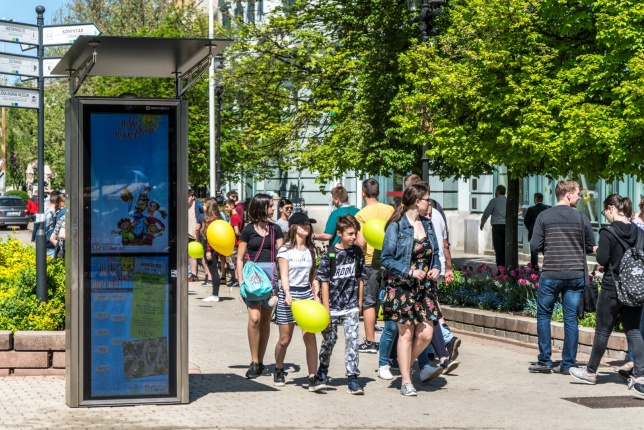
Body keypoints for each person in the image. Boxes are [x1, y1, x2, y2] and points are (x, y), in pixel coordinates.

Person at [568, 195, 644, 396]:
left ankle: (590, 371)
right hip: (633, 289)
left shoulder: (608, 232)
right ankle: (640, 378)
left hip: (612, 288)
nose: (605, 216)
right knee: (634, 332)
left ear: (611, 208)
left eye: (604, 212)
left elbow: (602, 260)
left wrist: (600, 248)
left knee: (603, 331)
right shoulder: (638, 232)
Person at [529, 179, 597, 374]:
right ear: (568, 195)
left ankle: (545, 361)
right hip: (575, 274)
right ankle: (568, 364)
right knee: (570, 319)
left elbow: (535, 246)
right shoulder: (581, 218)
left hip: (551, 273)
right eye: (577, 194)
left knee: (543, 315)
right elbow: (590, 246)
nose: (579, 197)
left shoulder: (544, 216)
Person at [380, 183, 442, 396]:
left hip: (424, 288)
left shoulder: (428, 224)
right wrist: (409, 271)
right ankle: (406, 380)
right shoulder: (396, 226)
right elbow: (386, 259)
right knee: (406, 335)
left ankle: (404, 363)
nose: (430, 203)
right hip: (401, 287)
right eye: (427, 199)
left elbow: (435, 254)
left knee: (426, 334)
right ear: (417, 201)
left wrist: (436, 268)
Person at [273, 212, 325, 391]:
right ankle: (279, 368)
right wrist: (287, 293)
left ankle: (313, 377)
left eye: (308, 224)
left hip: (306, 295)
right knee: (284, 339)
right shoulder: (285, 250)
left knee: (309, 336)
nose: (307, 227)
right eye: (303, 224)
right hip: (290, 296)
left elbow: (313, 275)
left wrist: (316, 293)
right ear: (294, 227)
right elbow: (284, 274)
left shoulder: (312, 249)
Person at [316, 214, 366, 395]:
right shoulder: (330, 252)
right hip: (333, 306)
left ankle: (352, 377)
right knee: (330, 340)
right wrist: (326, 309)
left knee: (352, 340)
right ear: (340, 233)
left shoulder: (357, 252)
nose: (354, 237)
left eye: (356, 233)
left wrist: (359, 303)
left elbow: (360, 278)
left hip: (351, 304)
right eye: (350, 234)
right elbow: (324, 282)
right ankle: (322, 371)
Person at [237, 193, 284, 379]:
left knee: (265, 320)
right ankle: (254, 360)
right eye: (271, 205)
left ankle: (261, 362)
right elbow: (240, 258)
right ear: (261, 207)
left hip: (271, 278)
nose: (273, 209)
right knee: (254, 318)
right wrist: (241, 282)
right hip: (253, 279)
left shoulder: (276, 229)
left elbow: (282, 255)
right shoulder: (248, 230)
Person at [355, 178, 395, 353]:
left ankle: (370, 342)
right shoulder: (390, 209)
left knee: (370, 302)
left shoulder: (361, 215)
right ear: (378, 192)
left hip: (371, 261)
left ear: (363, 193)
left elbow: (361, 242)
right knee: (390, 299)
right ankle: (392, 339)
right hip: (390, 260)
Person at [480, 185, 507, 271]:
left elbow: (486, 213)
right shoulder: (508, 201)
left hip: (497, 228)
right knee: (506, 249)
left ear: (498, 191)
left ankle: (500, 269)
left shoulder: (494, 201)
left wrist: (482, 223)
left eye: (496, 191)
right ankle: (507, 268)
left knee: (498, 249)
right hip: (507, 227)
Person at [201, 198, 222, 302]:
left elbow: (210, 236)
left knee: (213, 271)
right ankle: (214, 294)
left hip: (211, 249)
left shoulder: (211, 220)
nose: (202, 206)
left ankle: (215, 294)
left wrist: (208, 251)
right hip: (211, 248)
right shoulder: (215, 218)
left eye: (204, 205)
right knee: (212, 270)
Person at [523, 193, 551, 271]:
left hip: (534, 234)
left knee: (534, 253)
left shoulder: (531, 209)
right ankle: (547, 268)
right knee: (546, 252)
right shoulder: (548, 209)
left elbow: (526, 221)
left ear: (535, 199)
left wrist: (531, 229)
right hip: (546, 233)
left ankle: (534, 270)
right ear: (542, 199)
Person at [225, 199, 242, 288]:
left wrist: (240, 236)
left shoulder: (234, 217)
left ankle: (237, 279)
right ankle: (236, 279)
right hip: (235, 242)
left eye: (227, 206)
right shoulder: (235, 216)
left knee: (235, 262)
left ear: (232, 206)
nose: (226, 208)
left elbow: (236, 231)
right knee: (235, 262)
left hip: (235, 243)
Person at [188, 189, 203, 282]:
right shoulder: (183, 206)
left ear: (193, 197)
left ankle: (208, 276)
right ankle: (194, 274)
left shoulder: (198, 205)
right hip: (188, 233)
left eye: (188, 196)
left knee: (202, 255)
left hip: (199, 233)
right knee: (191, 254)